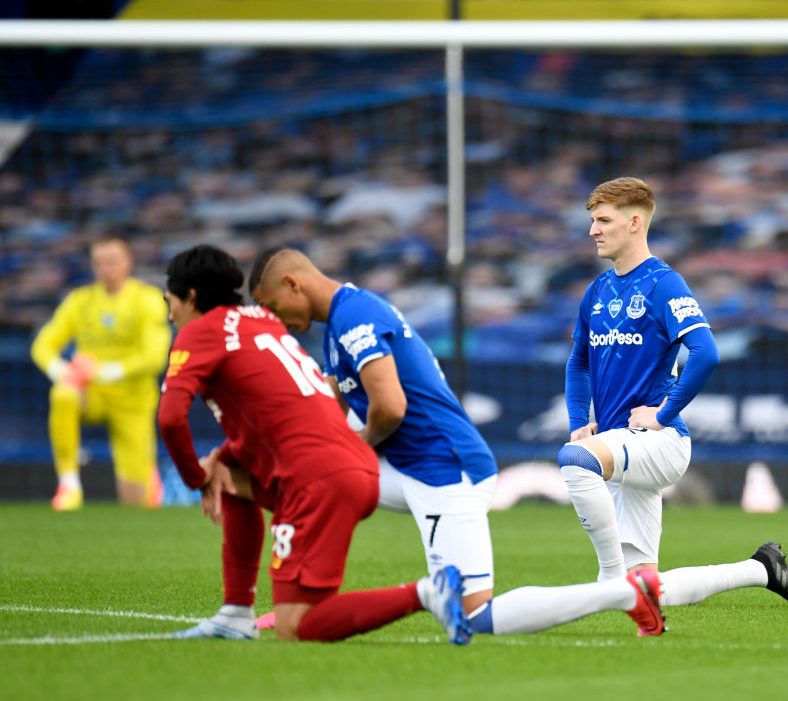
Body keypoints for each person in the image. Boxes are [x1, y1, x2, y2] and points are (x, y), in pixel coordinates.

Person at [234, 245, 667, 638]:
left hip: (445, 466)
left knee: (474, 615)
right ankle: (298, 606)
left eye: (272, 307)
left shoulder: (355, 315)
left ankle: (625, 592)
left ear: (293, 284)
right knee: (309, 482)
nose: (275, 320)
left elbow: (390, 408)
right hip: (408, 465)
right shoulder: (337, 324)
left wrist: (344, 451)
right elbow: (331, 406)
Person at [157, 244, 470, 643]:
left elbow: (170, 417)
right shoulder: (262, 322)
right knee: (231, 478)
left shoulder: (201, 331)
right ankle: (235, 612)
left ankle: (426, 592)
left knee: (296, 626)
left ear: (191, 297)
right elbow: (279, 409)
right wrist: (220, 458)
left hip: (315, 479)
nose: (170, 316)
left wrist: (195, 478)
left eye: (170, 303)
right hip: (349, 464)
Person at [560, 176, 788, 608]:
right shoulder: (597, 291)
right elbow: (578, 362)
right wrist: (579, 422)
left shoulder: (663, 283)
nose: (593, 230)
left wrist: (662, 414)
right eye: (593, 220)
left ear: (635, 222)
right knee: (644, 592)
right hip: (621, 441)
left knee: (575, 460)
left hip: (659, 440)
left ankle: (608, 577)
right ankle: (762, 569)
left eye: (603, 220)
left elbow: (705, 352)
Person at [30, 237, 170, 510]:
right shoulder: (80, 301)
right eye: (100, 263)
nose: (107, 268)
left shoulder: (148, 300)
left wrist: (106, 371)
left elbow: (155, 356)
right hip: (91, 392)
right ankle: (69, 484)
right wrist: (61, 370)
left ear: (128, 262)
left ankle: (147, 474)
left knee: (136, 501)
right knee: (63, 394)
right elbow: (42, 345)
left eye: (113, 261)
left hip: (133, 400)